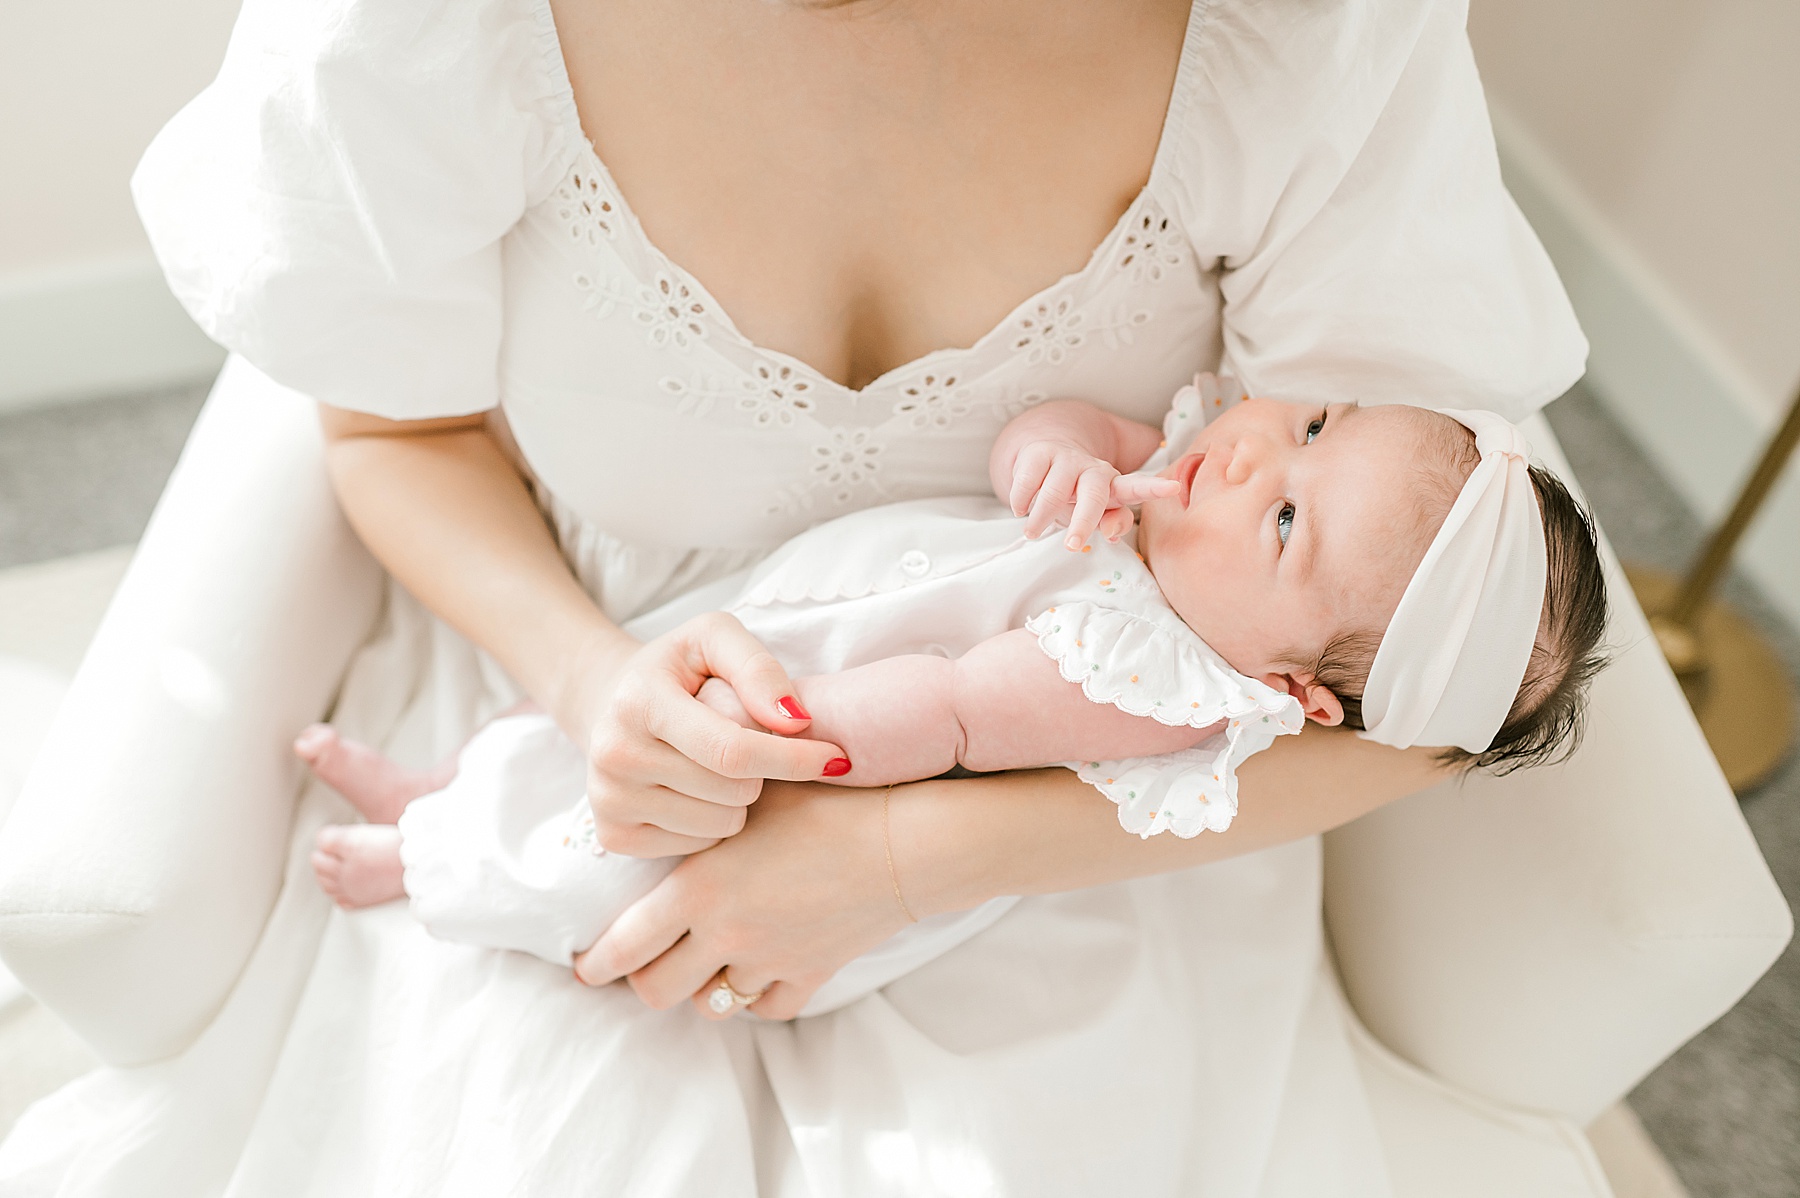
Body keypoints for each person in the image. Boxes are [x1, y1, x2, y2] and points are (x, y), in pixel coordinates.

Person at [0, 0, 1590, 1193]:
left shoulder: (1297, 36)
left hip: (1074, 844)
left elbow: (1428, 703)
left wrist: (903, 848)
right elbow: (390, 430)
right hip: (602, 692)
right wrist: (594, 689)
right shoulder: (436, 37)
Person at [300, 378, 1606, 1022]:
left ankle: (422, 855)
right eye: (1318, 427)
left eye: (1282, 519)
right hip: (812, 610)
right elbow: (1050, 428)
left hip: (833, 730)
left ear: (1287, 689)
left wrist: (804, 735)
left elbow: (961, 709)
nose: (1260, 453)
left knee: (604, 852)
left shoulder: (1156, 689)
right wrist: (1056, 459)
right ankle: (448, 787)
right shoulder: (1181, 483)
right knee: (584, 722)